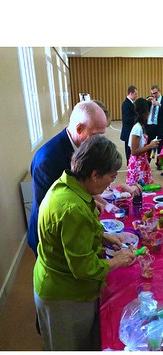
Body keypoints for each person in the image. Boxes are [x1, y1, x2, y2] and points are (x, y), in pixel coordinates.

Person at [33, 135, 136, 350]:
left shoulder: (68, 184)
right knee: (69, 348)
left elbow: (69, 234)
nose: (112, 181)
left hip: (55, 278)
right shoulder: (73, 209)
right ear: (95, 174)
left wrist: (103, 236)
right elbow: (83, 268)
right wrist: (116, 261)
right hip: (64, 294)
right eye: (111, 176)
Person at [28, 101, 110, 256]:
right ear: (79, 129)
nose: (99, 143)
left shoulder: (81, 145)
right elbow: (56, 210)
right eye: (96, 136)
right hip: (51, 237)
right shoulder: (48, 160)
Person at [126, 97, 159, 186]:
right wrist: (150, 146)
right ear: (146, 113)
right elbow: (134, 151)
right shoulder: (137, 128)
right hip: (137, 166)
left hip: (142, 163)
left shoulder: (141, 126)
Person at [120, 85, 138, 163]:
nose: (136, 95)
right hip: (128, 132)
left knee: (131, 151)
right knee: (128, 152)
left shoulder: (132, 103)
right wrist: (137, 118)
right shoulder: (126, 104)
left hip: (131, 131)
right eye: (136, 94)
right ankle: (130, 167)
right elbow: (126, 119)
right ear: (131, 93)